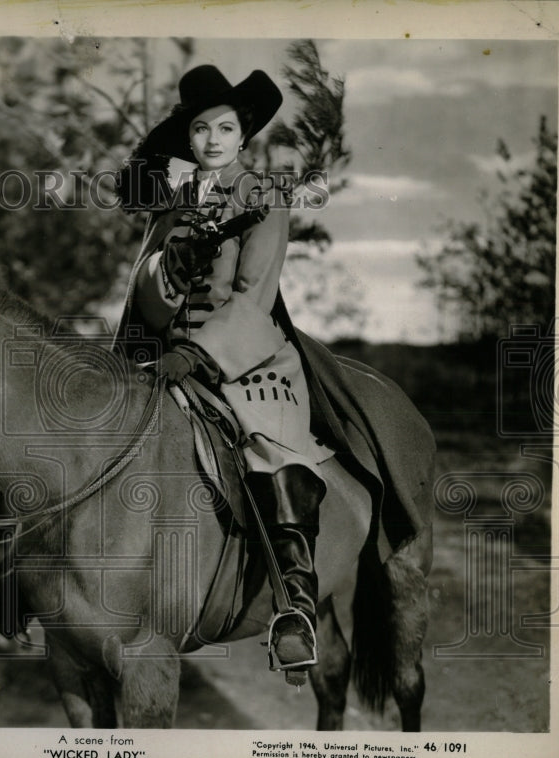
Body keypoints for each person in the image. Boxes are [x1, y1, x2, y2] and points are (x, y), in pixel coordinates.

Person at [114, 64, 334, 671]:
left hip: (247, 359)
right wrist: (165, 273)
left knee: (270, 450)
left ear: (244, 136)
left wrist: (200, 353)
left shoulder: (262, 195)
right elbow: (146, 298)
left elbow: (254, 295)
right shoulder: (177, 203)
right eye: (202, 129)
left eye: (225, 128)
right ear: (190, 140)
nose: (212, 140)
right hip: (163, 358)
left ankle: (294, 607)